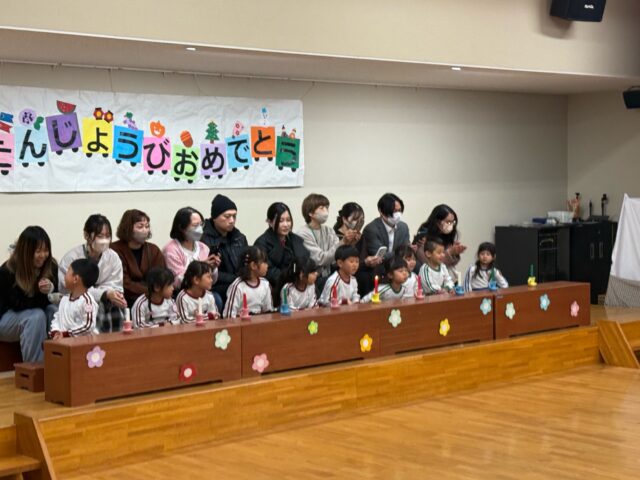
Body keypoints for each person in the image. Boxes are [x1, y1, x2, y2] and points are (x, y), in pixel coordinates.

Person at [59, 214, 126, 332]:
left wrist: (114, 295)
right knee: (93, 306)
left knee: (117, 306)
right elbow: (70, 288)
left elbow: (115, 285)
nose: (104, 240)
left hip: (106, 301)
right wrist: (103, 294)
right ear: (86, 235)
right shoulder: (72, 258)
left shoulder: (113, 257)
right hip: (76, 303)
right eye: (100, 236)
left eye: (107, 236)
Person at [0, 226, 58, 362]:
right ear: (26, 252)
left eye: (46, 250)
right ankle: (35, 368)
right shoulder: (8, 271)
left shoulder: (51, 266)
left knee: (53, 311)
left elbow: (53, 297)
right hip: (5, 317)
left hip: (32, 310)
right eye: (38, 251)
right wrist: (43, 295)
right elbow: (18, 304)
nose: (43, 255)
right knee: (36, 316)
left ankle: (58, 362)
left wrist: (50, 290)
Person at [297, 194, 359, 291]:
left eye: (327, 207)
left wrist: (350, 243)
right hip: (313, 279)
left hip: (329, 275)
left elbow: (338, 257)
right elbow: (321, 259)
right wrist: (343, 241)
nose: (326, 211)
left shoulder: (328, 230)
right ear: (310, 213)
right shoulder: (303, 233)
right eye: (322, 208)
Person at [254, 202, 310, 307]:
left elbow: (305, 261)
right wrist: (291, 279)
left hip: (298, 284)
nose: (286, 224)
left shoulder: (296, 240)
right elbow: (268, 271)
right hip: (277, 288)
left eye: (288, 220)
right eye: (281, 221)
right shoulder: (262, 243)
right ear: (269, 222)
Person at [111, 209, 165, 308]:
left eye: (147, 226)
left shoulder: (153, 250)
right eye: (140, 227)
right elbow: (123, 282)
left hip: (153, 300)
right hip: (126, 301)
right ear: (128, 228)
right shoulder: (114, 249)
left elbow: (162, 276)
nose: (145, 230)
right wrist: (150, 290)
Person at [201, 195, 248, 306]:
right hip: (216, 286)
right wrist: (236, 279)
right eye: (227, 216)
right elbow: (209, 271)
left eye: (234, 216)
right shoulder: (204, 239)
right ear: (215, 217)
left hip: (239, 282)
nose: (232, 220)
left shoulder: (239, 238)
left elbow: (246, 263)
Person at [359, 193, 410, 294]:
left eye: (399, 210)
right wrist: (399, 252)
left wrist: (409, 250)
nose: (397, 214)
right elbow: (380, 256)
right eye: (394, 211)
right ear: (381, 211)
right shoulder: (371, 229)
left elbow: (405, 251)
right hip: (380, 268)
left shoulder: (403, 227)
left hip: (399, 266)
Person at [163, 207, 219, 291]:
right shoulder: (171, 250)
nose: (200, 229)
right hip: (181, 293)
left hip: (203, 292)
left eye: (201, 224)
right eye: (195, 225)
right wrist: (200, 267)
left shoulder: (203, 248)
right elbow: (177, 282)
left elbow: (212, 281)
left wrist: (213, 268)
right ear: (182, 228)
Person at [50, 258, 100, 338]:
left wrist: (67, 334)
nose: (64, 276)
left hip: (83, 343)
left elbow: (88, 326)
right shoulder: (64, 299)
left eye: (67, 272)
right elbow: (57, 318)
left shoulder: (87, 302)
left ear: (75, 279)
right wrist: (55, 332)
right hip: (64, 341)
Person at [415, 204, 466, 280]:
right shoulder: (424, 236)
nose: (451, 225)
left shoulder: (448, 235)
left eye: (453, 222)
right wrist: (450, 253)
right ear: (437, 222)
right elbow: (428, 263)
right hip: (428, 277)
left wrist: (455, 253)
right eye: (448, 222)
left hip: (444, 275)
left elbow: (451, 263)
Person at [223, 246, 273, 318]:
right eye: (264, 262)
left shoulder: (265, 284)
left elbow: (268, 312)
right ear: (253, 265)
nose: (267, 265)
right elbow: (228, 316)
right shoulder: (238, 286)